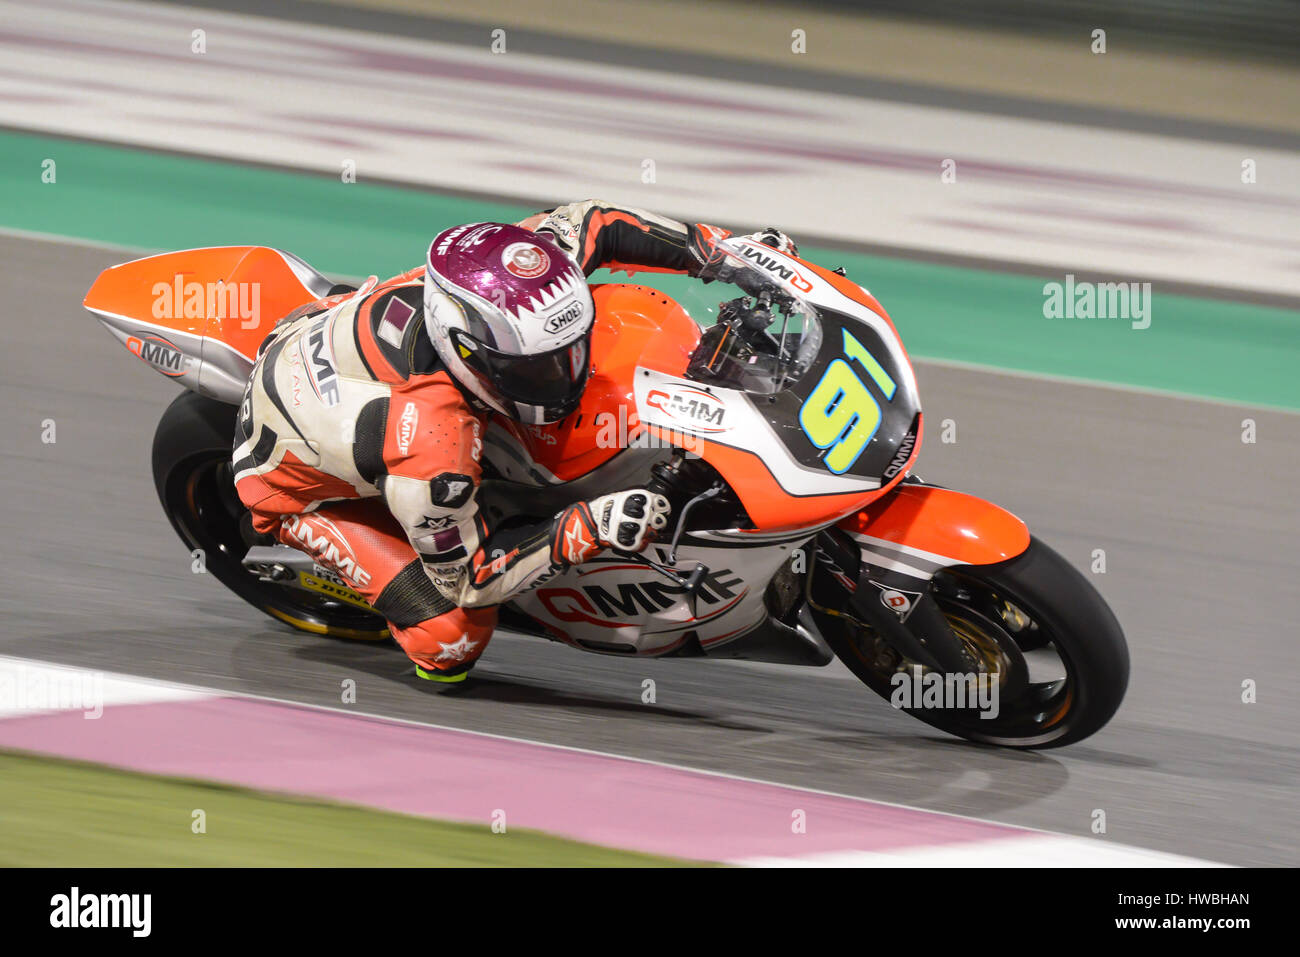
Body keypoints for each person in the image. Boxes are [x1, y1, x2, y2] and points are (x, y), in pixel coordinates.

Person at [232, 199, 796, 682]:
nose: (568, 376)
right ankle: (337, 554)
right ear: (469, 353)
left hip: (339, 350)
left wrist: (724, 254)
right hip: (292, 479)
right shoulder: (432, 447)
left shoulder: (522, 276)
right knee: (452, 639)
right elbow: (469, 581)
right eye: (538, 370)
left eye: (571, 351)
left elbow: (599, 223)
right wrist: (588, 526)